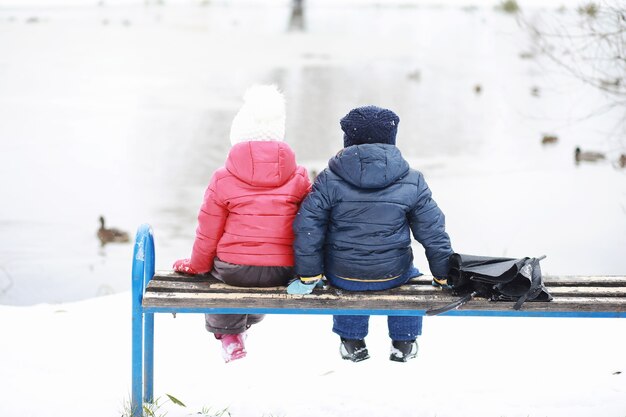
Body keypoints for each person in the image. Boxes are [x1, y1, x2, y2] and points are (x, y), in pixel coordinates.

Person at [288, 105, 453, 363]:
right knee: (409, 276)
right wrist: (444, 274)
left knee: (345, 277)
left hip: (342, 273)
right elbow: (433, 232)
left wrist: (309, 273)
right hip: (393, 273)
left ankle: (352, 340)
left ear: (348, 140)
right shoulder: (412, 180)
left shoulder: (329, 179)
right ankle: (404, 340)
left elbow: (309, 228)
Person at [173, 85, 311, 362]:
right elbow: (309, 228)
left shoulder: (222, 177)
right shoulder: (299, 176)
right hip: (282, 270)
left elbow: (208, 231)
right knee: (260, 275)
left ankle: (229, 334)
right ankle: (246, 323)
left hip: (233, 269)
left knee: (216, 273)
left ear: (237, 135)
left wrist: (197, 265)